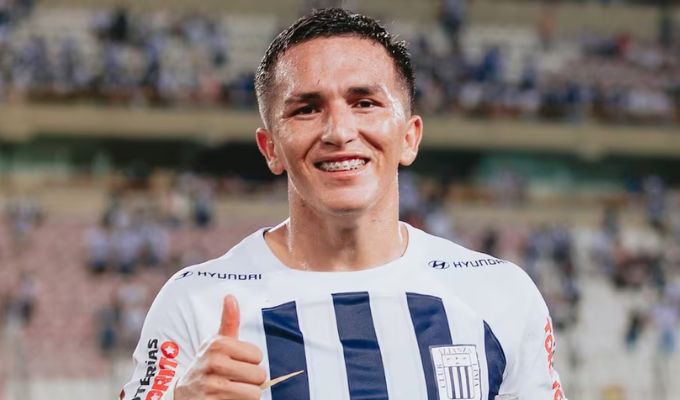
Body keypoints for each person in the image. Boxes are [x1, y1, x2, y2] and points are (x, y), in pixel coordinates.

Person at [121, 8, 567, 400]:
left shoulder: (498, 293)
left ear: (410, 137)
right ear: (270, 148)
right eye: (306, 109)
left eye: (365, 103)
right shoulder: (197, 301)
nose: (339, 131)